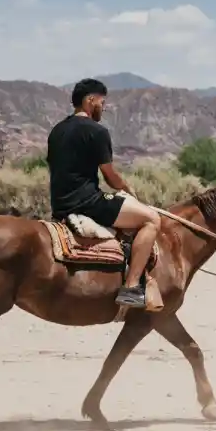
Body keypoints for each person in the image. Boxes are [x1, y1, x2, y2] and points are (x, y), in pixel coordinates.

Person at [47, 78, 162, 309]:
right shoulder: (96, 131)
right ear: (91, 100)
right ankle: (130, 287)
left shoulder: (57, 130)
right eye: (102, 102)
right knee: (152, 219)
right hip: (87, 202)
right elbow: (110, 176)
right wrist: (130, 192)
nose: (104, 107)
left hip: (60, 204)